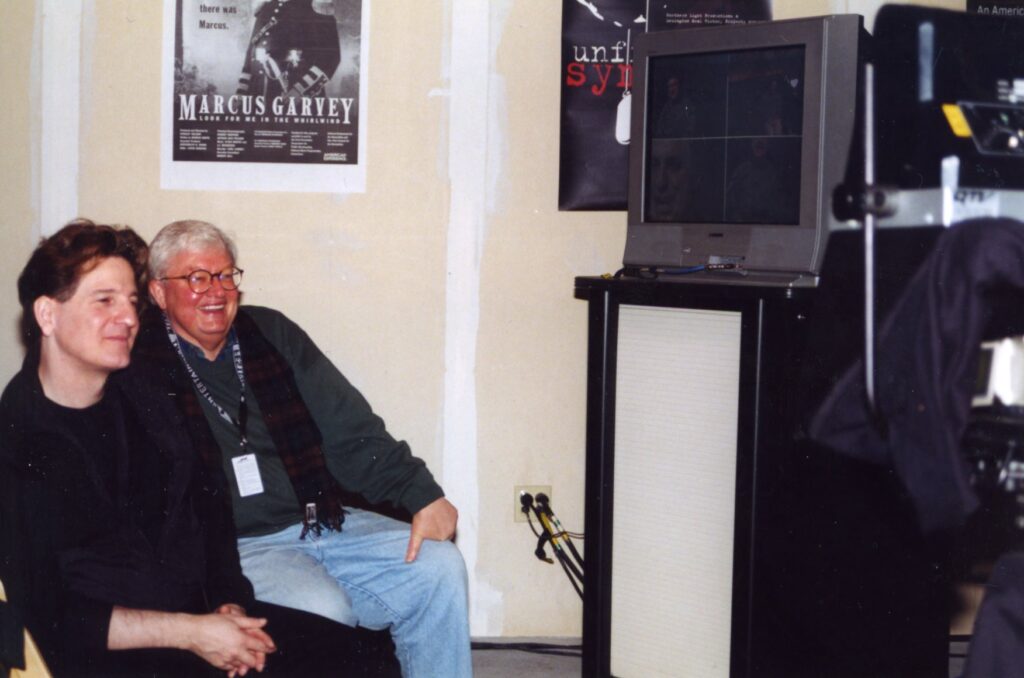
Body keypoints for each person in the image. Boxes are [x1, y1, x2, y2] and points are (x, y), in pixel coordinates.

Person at [0, 220, 399, 677]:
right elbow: (46, 615)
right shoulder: (19, 441)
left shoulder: (144, 389)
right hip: (108, 648)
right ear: (47, 315)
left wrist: (229, 603)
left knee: (367, 661)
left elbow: (209, 507)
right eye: (104, 300)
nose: (128, 317)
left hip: (196, 614)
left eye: (131, 301)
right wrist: (192, 633)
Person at [133, 220, 472, 678]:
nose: (216, 291)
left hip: (321, 521)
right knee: (321, 606)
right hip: (238, 548)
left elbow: (349, 427)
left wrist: (422, 494)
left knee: (439, 568)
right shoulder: (140, 362)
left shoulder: (270, 333)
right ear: (158, 292)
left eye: (226, 275)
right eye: (196, 278)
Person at [237, 0, 342, 99]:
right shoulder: (266, 7)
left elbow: (330, 57)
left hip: (293, 94)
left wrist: (299, 90)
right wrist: (242, 91)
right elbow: (251, 54)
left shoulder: (316, 6)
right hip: (258, 93)